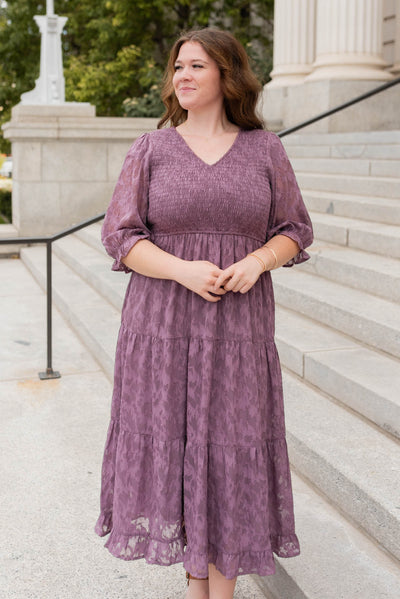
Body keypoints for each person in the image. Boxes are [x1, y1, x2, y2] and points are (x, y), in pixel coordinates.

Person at [95, 28, 313, 599]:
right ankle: (198, 589)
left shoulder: (265, 149)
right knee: (178, 443)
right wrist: (183, 269)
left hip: (239, 328)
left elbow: (295, 228)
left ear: (226, 74)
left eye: (196, 66)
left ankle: (223, 591)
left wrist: (260, 261)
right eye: (178, 67)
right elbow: (120, 235)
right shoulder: (152, 148)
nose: (182, 77)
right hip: (162, 324)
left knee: (232, 451)